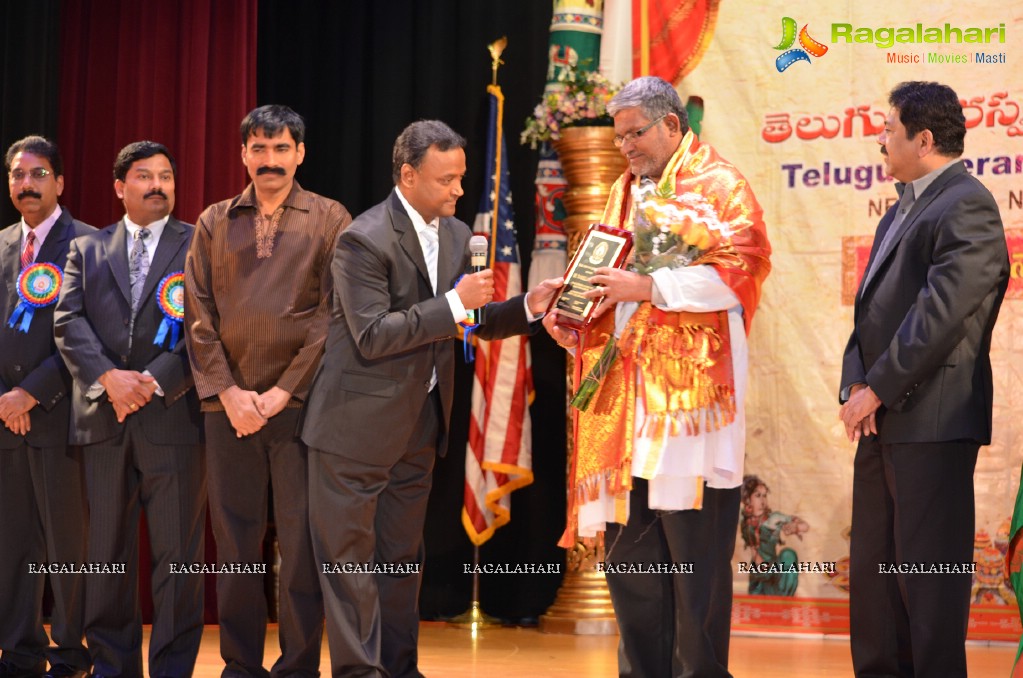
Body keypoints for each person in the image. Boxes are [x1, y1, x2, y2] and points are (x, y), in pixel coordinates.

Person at [300, 120, 560, 678]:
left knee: (401, 561)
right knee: (348, 565)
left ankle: (400, 669)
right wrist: (454, 304)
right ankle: (357, 672)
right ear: (409, 175)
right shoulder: (361, 239)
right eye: (447, 180)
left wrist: (529, 307)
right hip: (352, 430)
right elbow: (373, 335)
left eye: (462, 179)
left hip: (418, 426)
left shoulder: (457, 232)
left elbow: (476, 317)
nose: (458, 191)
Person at [543, 75, 771, 677]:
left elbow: (742, 272)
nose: (626, 149)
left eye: (635, 134)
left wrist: (649, 286)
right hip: (624, 406)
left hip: (690, 407)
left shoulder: (721, 187)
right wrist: (568, 303)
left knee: (695, 568)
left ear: (673, 125)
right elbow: (606, 274)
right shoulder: (623, 190)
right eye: (619, 139)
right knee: (633, 567)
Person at [838, 80, 1009, 677]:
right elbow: (869, 313)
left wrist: (877, 388)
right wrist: (856, 384)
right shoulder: (901, 207)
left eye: (888, 129)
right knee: (878, 581)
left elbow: (939, 316)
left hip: (931, 421)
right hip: (882, 417)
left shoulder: (966, 203)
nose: (880, 140)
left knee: (928, 588)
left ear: (925, 138)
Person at [184, 104, 352, 678]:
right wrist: (229, 393)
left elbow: (334, 315)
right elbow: (198, 314)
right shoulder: (213, 220)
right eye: (259, 149)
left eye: (281, 149)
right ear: (243, 155)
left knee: (303, 546)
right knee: (234, 544)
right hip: (226, 410)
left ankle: (300, 666)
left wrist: (282, 392)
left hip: (302, 408)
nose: (270, 160)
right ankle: (239, 667)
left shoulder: (331, 219)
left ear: (300, 153)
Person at [54, 141, 205, 678]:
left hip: (174, 421)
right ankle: (112, 667)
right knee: (107, 557)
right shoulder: (88, 248)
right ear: (120, 186)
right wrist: (109, 380)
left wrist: (154, 380)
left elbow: (208, 330)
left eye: (166, 174)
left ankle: (171, 670)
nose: (158, 184)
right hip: (103, 420)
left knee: (178, 561)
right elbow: (67, 322)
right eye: (145, 176)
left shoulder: (198, 245)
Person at [0, 136, 92, 678]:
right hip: (6, 421)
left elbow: (86, 336)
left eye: (37, 174)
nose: (26, 184)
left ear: (59, 182)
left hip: (61, 418)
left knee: (66, 545)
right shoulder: (2, 244)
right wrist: (6, 399)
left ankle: (72, 653)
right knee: (13, 542)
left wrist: (31, 391)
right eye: (17, 174)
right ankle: (20, 650)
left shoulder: (87, 244)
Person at [739, 475, 808, 596]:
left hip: (775, 570)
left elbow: (805, 526)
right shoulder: (743, 519)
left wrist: (796, 527)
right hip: (759, 572)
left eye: (764, 495)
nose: (763, 501)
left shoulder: (773, 518)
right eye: (757, 495)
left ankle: (785, 599)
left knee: (788, 555)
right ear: (747, 499)